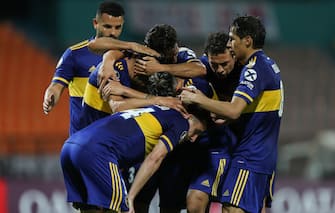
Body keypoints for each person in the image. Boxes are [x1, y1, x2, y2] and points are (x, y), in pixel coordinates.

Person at [60, 72, 210, 213]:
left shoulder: (149, 108)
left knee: (91, 209)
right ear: (188, 115)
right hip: (98, 152)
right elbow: (155, 158)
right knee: (123, 209)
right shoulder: (180, 121)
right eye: (196, 131)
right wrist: (130, 197)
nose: (193, 138)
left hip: (70, 146)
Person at [180, 15, 284, 213]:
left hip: (251, 156)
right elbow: (252, 110)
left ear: (247, 40)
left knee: (232, 210)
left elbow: (235, 110)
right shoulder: (268, 64)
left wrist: (199, 99)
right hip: (261, 154)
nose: (229, 43)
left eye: (232, 38)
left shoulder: (253, 69)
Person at [42, 1, 158, 135]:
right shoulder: (75, 54)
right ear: (95, 23)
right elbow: (56, 85)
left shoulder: (130, 57)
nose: (113, 32)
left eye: (117, 27)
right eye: (107, 27)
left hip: (116, 137)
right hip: (83, 135)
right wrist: (51, 95)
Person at [186, 32, 242, 213]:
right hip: (204, 142)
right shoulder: (199, 68)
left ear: (234, 55)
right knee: (194, 203)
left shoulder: (247, 73)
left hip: (236, 145)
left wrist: (207, 103)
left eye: (224, 64)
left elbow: (239, 112)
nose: (219, 70)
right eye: (214, 64)